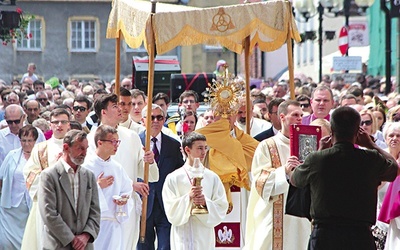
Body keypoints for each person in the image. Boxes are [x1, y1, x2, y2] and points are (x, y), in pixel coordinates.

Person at [290, 106, 398, 250]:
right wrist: (371, 145)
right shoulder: (370, 159)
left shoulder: (318, 159)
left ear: (332, 131)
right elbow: (395, 169)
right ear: (357, 132)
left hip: (325, 235)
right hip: (359, 236)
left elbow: (295, 179)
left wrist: (321, 150)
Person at [87, 93, 158, 250]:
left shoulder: (131, 137)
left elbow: (151, 175)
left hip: (126, 207)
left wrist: (149, 161)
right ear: (103, 112)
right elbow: (95, 173)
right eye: (115, 106)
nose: (121, 109)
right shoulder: (91, 139)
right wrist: (132, 185)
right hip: (103, 208)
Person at [244, 100, 311, 250]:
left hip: (302, 216)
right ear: (282, 117)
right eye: (294, 115)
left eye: (301, 115)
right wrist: (284, 171)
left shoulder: (308, 144)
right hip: (276, 214)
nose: (299, 118)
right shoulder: (267, 146)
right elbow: (259, 182)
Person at [162, 132, 228, 249]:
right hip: (182, 233)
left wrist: (205, 203)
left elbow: (221, 206)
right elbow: (170, 209)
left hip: (203, 234)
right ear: (187, 150)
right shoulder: (174, 178)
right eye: (199, 148)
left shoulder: (212, 177)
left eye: (205, 148)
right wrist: (188, 197)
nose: (204, 152)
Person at [38, 130, 100, 249]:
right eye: (80, 148)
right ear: (66, 147)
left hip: (84, 245)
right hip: (58, 244)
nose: (84, 153)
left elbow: (95, 210)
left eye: (86, 149)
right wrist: (71, 239)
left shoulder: (89, 176)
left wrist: (86, 236)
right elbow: (48, 213)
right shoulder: (49, 176)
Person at [22, 108, 71, 250]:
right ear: (50, 125)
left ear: (69, 124)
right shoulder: (41, 148)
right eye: (56, 122)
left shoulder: (78, 147)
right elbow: (30, 175)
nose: (59, 125)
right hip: (48, 203)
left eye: (63, 122)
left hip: (72, 204)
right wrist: (54, 168)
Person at [137, 104, 184, 250]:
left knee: (166, 246)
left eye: (159, 117)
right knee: (144, 245)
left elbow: (179, 172)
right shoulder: (135, 143)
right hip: (144, 203)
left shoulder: (174, 145)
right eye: (151, 117)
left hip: (166, 205)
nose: (155, 121)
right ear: (143, 120)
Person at [83, 125, 133, 250]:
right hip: (92, 224)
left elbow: (127, 189)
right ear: (100, 143)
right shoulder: (86, 166)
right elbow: (78, 193)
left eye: (118, 141)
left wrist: (123, 199)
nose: (117, 145)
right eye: (113, 141)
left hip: (113, 224)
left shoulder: (117, 168)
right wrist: (97, 186)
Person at [0, 125, 38, 249]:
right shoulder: (12, 155)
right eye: (24, 140)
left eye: (30, 140)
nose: (27, 144)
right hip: (10, 207)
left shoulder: (40, 158)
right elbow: (1, 177)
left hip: (30, 208)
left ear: (35, 141)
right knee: (6, 242)